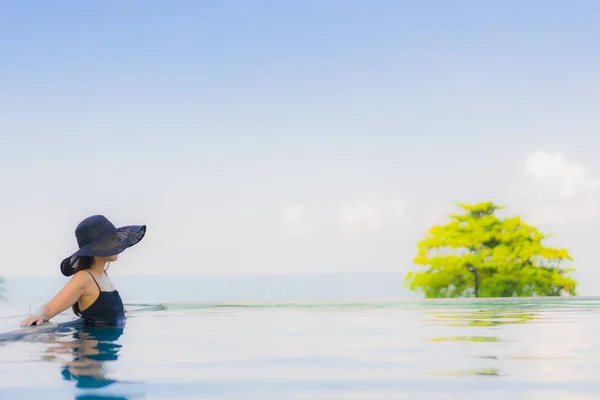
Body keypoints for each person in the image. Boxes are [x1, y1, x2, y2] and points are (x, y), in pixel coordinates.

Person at [21, 215, 146, 327]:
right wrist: (39, 315)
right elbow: (49, 309)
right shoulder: (84, 277)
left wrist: (119, 309)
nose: (117, 242)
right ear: (97, 245)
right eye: (112, 238)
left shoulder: (103, 275)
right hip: (93, 350)